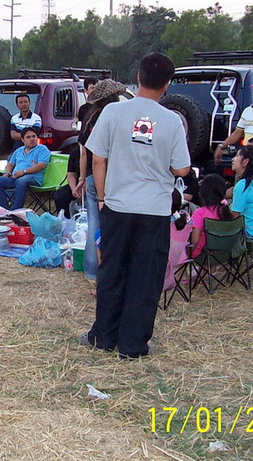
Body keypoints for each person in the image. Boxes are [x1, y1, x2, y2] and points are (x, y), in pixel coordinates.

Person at [81, 53, 191, 359]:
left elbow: (98, 159)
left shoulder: (113, 111)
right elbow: (182, 168)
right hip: (154, 210)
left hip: (117, 206)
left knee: (112, 272)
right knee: (145, 277)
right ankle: (132, 345)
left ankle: (103, 336)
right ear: (167, 84)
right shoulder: (172, 120)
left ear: (138, 77)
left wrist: (102, 197)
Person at [74, 78, 125, 281]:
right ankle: (110, 271)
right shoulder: (117, 120)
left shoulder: (90, 119)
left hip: (91, 177)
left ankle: (91, 271)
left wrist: (82, 178)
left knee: (93, 225)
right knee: (112, 227)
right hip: (111, 177)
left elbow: (83, 153)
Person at [0, 127, 51, 210]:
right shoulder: (19, 151)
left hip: (33, 178)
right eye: (28, 137)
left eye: (34, 136)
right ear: (23, 140)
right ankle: (2, 210)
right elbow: (11, 164)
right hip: (15, 177)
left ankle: (15, 211)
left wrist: (24, 172)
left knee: (22, 181)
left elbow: (42, 165)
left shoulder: (42, 149)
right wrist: (7, 172)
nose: (32, 139)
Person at [189, 174, 233, 258]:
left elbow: (195, 241)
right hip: (223, 254)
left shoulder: (199, 213)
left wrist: (186, 254)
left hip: (202, 255)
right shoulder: (226, 210)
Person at [54, 145, 81, 218]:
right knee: (60, 195)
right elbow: (71, 174)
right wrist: (74, 189)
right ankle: (65, 220)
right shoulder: (75, 152)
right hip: (78, 183)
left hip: (94, 183)